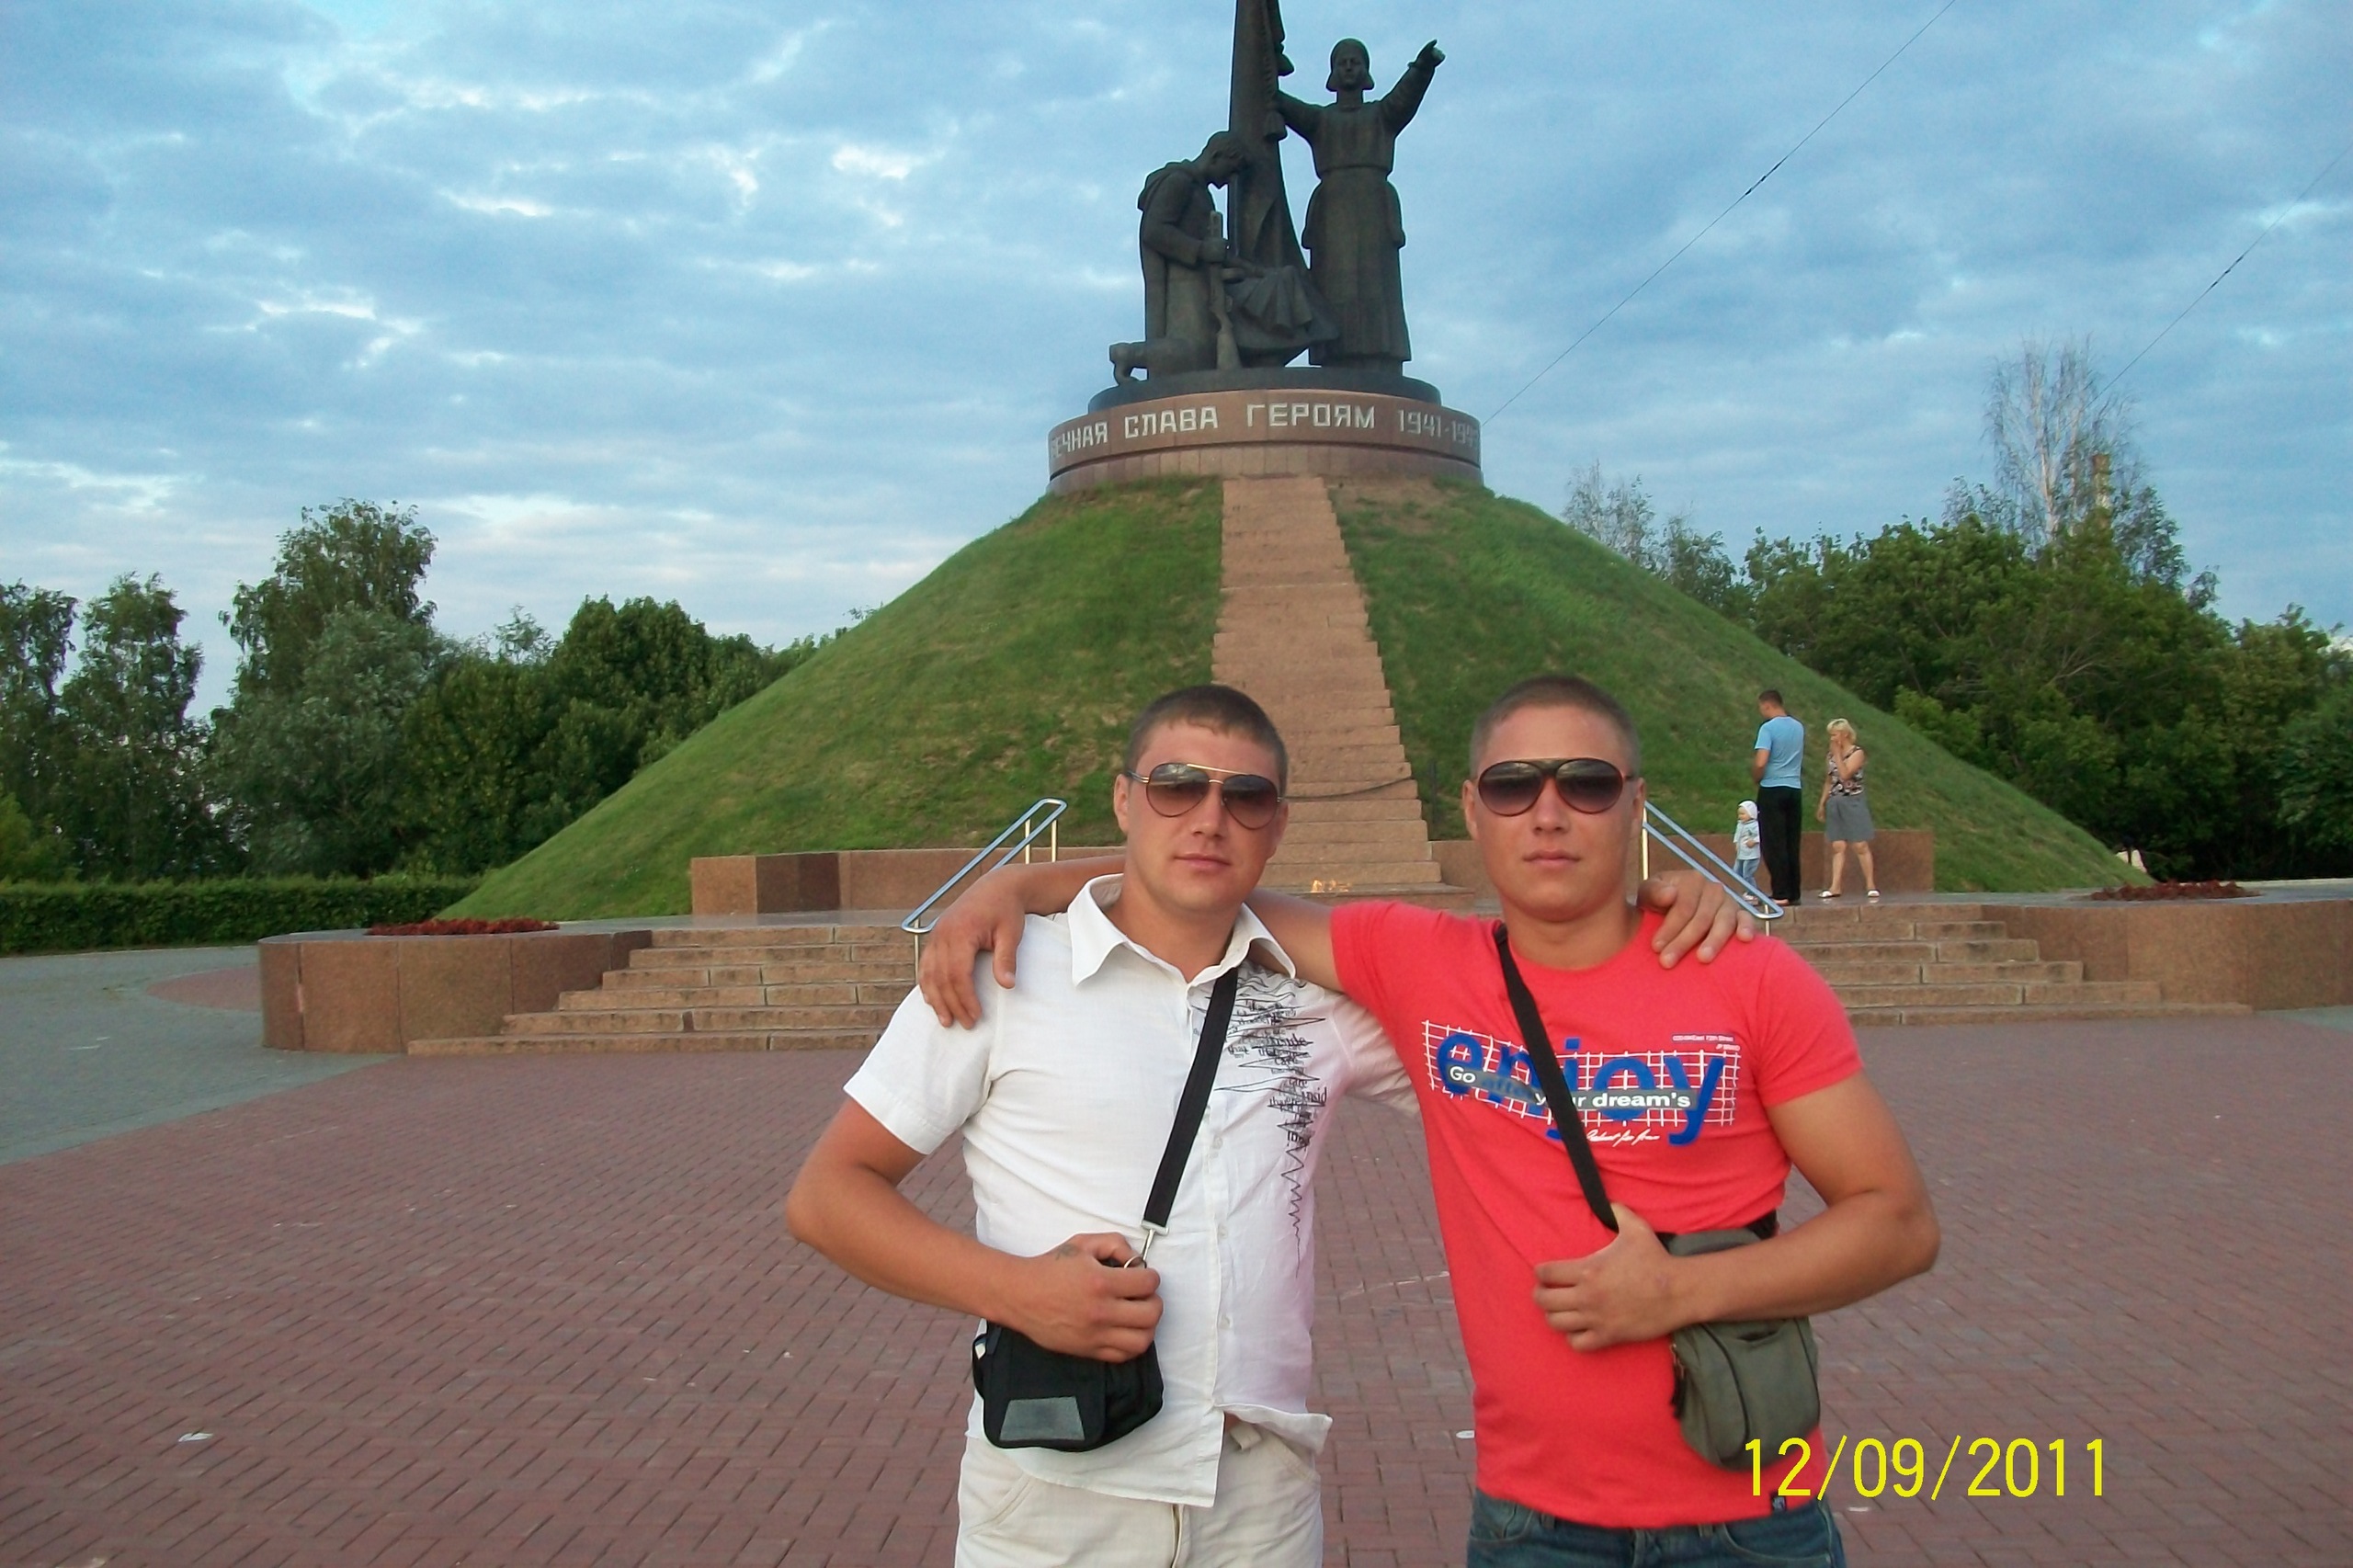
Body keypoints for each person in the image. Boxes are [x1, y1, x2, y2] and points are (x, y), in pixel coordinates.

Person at [921, 676, 1939, 1568]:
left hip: (1752, 1514)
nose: (1549, 813)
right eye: (1513, 785)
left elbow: (1895, 1221)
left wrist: (1680, 1291)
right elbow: (1192, 878)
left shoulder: (1748, 976)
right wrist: (1018, 881)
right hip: (1532, 1522)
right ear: (1471, 808)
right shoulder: (1421, 965)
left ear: (1636, 803)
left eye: (1587, 783)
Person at [1275, 38, 1442, 375]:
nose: (1349, 67)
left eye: (1356, 62)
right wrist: (1259, 65)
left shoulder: (1380, 115)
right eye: (1342, 62)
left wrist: (1422, 67)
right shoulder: (1320, 119)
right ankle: (1336, 355)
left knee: (1377, 285)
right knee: (1332, 286)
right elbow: (1277, 101)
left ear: (1366, 72)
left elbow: (1405, 97)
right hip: (1332, 213)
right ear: (1332, 74)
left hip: (1374, 209)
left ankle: (1382, 356)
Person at [1750, 690, 1806, 904]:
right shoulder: (1798, 727)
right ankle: (1793, 891)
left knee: (1774, 842)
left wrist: (1756, 776)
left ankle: (1780, 892)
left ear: (1767, 705)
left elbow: (1761, 761)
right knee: (1792, 841)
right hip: (1794, 788)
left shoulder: (1768, 728)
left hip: (1772, 788)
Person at [1816, 718, 1879, 902]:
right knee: (1838, 845)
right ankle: (1835, 886)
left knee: (1860, 844)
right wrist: (1822, 803)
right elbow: (1829, 780)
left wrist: (1837, 755)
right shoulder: (1830, 756)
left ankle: (1870, 885)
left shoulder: (1857, 753)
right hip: (1835, 801)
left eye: (1834, 735)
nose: (1832, 739)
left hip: (1853, 800)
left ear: (1844, 734)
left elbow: (1845, 774)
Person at [1732, 800, 1761, 892]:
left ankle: (1752, 892)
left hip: (1751, 855)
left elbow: (1761, 835)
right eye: (1739, 814)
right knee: (1736, 872)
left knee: (1747, 874)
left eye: (1743, 814)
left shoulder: (1754, 825)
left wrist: (1754, 841)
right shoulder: (1740, 824)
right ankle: (1748, 890)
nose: (1740, 816)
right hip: (1741, 854)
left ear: (1751, 814)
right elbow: (1737, 835)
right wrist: (1736, 843)